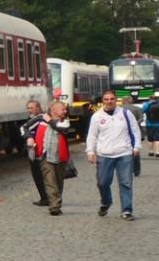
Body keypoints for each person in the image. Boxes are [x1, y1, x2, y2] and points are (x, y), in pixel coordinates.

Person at [84, 91, 139, 220]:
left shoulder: (126, 114)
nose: (109, 101)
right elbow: (92, 135)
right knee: (103, 182)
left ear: (116, 99)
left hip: (124, 153)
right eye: (106, 99)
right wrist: (90, 151)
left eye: (112, 99)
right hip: (104, 155)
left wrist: (136, 147)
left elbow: (135, 130)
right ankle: (106, 202)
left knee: (126, 183)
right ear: (103, 101)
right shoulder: (97, 116)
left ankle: (126, 210)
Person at [28, 101, 71, 215]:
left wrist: (50, 120)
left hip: (60, 156)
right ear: (54, 110)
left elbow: (62, 127)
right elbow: (25, 127)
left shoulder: (64, 121)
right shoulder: (40, 119)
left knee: (58, 182)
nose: (65, 111)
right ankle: (54, 207)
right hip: (45, 156)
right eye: (62, 109)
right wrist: (29, 137)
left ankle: (57, 200)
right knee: (50, 181)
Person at [21, 99, 49, 205]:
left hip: (39, 151)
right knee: (39, 175)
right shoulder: (35, 118)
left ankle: (46, 198)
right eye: (28, 108)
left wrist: (28, 137)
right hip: (34, 151)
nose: (29, 110)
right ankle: (45, 197)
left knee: (39, 175)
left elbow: (23, 128)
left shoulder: (40, 118)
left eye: (32, 108)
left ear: (38, 108)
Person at [146, 94, 159, 159]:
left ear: (149, 98)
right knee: (157, 138)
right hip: (158, 124)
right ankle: (157, 152)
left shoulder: (146, 104)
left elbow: (142, 112)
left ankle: (151, 151)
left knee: (150, 139)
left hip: (149, 124)